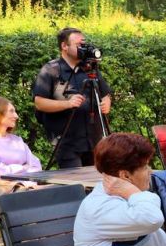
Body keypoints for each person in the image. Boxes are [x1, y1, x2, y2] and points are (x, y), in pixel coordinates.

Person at [32, 27, 112, 168]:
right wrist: (67, 104)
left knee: (96, 179)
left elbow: (105, 94)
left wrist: (106, 102)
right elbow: (39, 103)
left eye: (84, 44)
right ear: (64, 46)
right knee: (76, 180)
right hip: (67, 142)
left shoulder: (89, 68)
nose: (83, 48)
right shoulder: (51, 70)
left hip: (94, 140)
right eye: (79, 45)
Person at [0, 97, 42, 179]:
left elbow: (36, 166)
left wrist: (12, 170)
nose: (16, 116)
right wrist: (24, 167)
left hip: (28, 184)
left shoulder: (17, 140)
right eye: (11, 111)